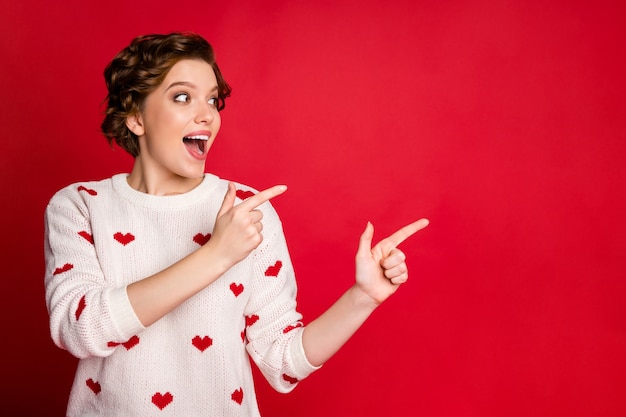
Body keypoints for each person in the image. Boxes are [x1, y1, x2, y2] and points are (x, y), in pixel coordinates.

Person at [43, 32, 429, 416]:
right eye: (182, 97)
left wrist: (362, 297)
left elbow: (282, 363)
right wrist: (217, 254)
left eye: (212, 99)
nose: (207, 113)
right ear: (136, 117)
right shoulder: (81, 206)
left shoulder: (246, 211)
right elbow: (82, 328)